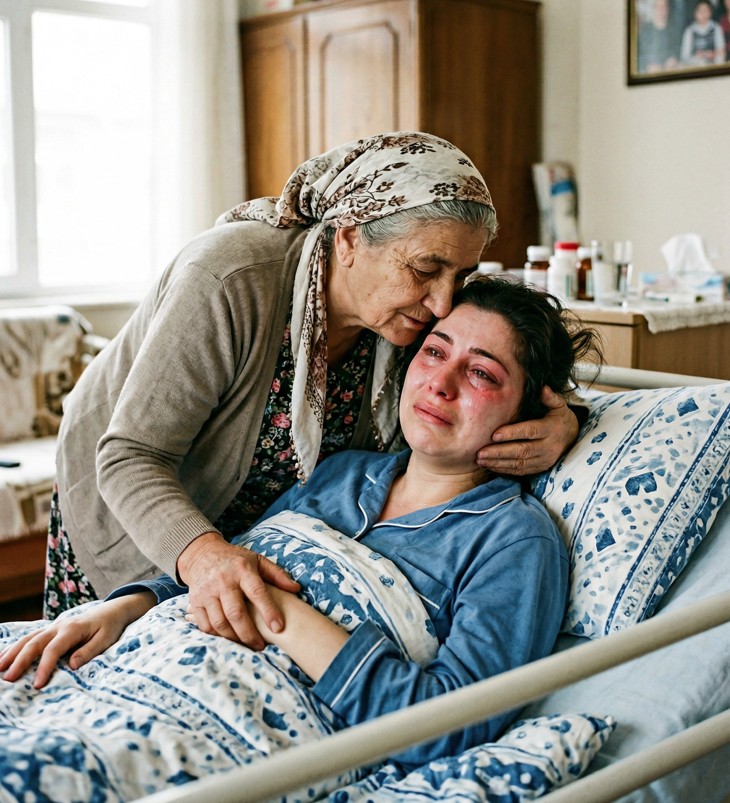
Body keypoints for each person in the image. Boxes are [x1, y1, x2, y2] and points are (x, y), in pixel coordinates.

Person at [1, 276, 602, 780]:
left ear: (529, 410)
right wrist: (124, 608)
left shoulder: (513, 541)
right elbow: (230, 567)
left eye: (482, 375)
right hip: (134, 658)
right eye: (435, 352)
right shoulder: (343, 473)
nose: (440, 384)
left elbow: (445, 724)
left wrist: (277, 611)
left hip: (213, 727)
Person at [45, 132, 582, 646]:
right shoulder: (230, 280)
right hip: (139, 509)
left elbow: (501, 373)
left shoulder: (407, 318)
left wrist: (565, 421)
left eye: (460, 276)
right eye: (426, 268)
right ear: (348, 238)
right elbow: (130, 456)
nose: (444, 303)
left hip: (251, 544)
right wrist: (203, 556)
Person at [638, 0, 681, 73]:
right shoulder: (644, 31)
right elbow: (640, 56)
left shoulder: (674, 30)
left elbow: (678, 50)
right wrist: (647, 66)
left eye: (664, 7)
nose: (661, 10)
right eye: (658, 7)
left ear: (668, 9)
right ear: (653, 9)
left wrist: (674, 58)